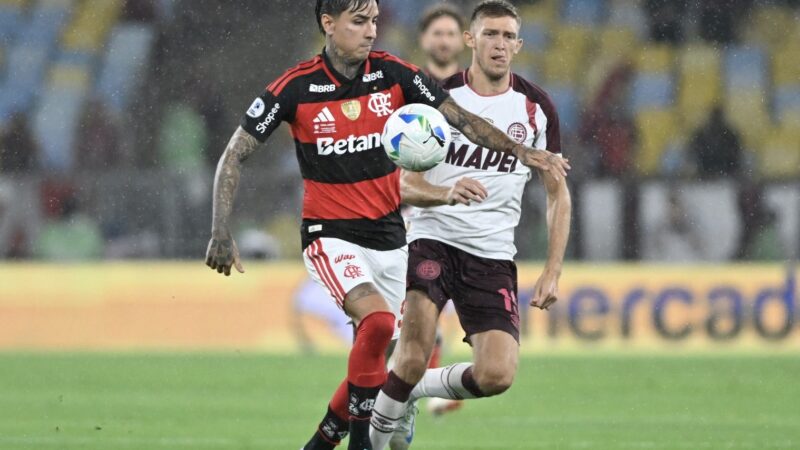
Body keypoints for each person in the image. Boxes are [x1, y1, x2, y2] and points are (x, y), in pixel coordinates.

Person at [203, 1, 569, 449]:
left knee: (389, 363)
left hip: (392, 238)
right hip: (331, 234)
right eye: (360, 21)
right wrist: (220, 231)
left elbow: (463, 119)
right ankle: (362, 444)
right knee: (377, 324)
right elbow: (234, 154)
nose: (371, 31)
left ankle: (318, 444)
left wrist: (520, 151)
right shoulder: (295, 87)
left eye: (375, 21)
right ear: (328, 23)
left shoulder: (395, 75)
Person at [369, 2, 572, 449]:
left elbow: (558, 193)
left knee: (497, 375)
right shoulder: (438, 100)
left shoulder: (536, 108)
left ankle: (411, 390)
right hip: (433, 239)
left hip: (493, 254)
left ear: (519, 45)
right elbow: (404, 184)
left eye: (508, 36)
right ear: (470, 40)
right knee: (413, 353)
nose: (499, 44)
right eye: (490, 34)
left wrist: (553, 269)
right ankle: (376, 436)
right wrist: (446, 192)